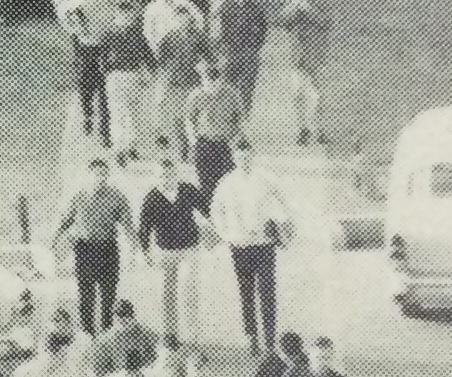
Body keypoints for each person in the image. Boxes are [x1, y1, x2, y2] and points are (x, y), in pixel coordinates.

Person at [207, 139, 294, 355]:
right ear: (234, 158)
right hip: (240, 246)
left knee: (267, 292)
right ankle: (252, 338)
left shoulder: (265, 178)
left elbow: (285, 203)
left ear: (252, 155)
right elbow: (215, 211)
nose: (244, 160)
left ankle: (270, 340)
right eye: (239, 156)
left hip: (264, 245)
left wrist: (280, 223)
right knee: (246, 293)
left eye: (247, 156)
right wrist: (226, 233)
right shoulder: (227, 183)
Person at [138, 142, 212, 349]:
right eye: (162, 175)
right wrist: (145, 252)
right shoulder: (151, 198)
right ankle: (171, 335)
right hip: (165, 251)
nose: (166, 179)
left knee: (189, 290)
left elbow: (208, 209)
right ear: (157, 176)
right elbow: (144, 228)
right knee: (167, 293)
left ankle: (192, 336)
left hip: (189, 249)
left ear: (176, 174)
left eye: (169, 174)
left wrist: (213, 226)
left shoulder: (188, 190)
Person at [55, 144, 134, 338]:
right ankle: (87, 336)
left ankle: (107, 336)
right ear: (89, 175)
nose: (100, 178)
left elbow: (128, 225)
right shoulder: (78, 197)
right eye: (96, 174)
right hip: (84, 249)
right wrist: (55, 240)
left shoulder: (117, 197)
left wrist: (134, 248)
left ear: (107, 176)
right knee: (86, 295)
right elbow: (65, 221)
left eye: (103, 174)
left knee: (108, 296)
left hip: (107, 249)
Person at [52, 0, 116, 135]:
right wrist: (70, 14)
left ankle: (105, 124)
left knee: (105, 75)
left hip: (100, 27)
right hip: (81, 28)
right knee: (86, 74)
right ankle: (87, 113)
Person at [143, 0, 209, 157]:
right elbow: (160, 61)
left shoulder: (198, 37)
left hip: (191, 81)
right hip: (173, 81)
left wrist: (203, 68)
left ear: (190, 20)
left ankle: (193, 147)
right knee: (175, 117)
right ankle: (180, 148)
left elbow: (209, 56)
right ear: (176, 20)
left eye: (186, 19)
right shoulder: (169, 37)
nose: (183, 22)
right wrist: (162, 79)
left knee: (192, 115)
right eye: (180, 19)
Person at [182, 56, 247, 206]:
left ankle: (228, 214)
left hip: (224, 145)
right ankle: (209, 216)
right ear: (203, 79)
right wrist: (193, 140)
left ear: (221, 79)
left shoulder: (231, 95)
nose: (212, 84)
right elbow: (189, 120)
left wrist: (235, 140)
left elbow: (239, 119)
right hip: (204, 145)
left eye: (216, 79)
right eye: (208, 79)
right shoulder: (195, 96)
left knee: (227, 182)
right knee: (205, 184)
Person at [96, 0, 153, 162]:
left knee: (134, 113)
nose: (126, 18)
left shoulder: (137, 34)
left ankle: (132, 146)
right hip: (115, 77)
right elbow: (102, 58)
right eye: (122, 14)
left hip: (133, 75)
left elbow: (148, 55)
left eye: (128, 14)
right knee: (117, 113)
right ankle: (119, 148)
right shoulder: (109, 34)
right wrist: (107, 73)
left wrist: (148, 73)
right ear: (116, 14)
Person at [276, 0, 332, 146]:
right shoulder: (289, 3)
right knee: (297, 94)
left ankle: (319, 129)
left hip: (314, 55)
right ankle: (302, 130)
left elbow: (326, 22)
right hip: (296, 57)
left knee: (316, 96)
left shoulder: (318, 1)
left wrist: (307, 9)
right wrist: (294, 6)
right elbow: (282, 22)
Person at [216, 0, 269, 118]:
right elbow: (219, 30)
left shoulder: (256, 8)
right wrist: (223, 49)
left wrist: (254, 48)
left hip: (249, 52)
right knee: (227, 83)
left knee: (247, 85)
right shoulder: (226, 7)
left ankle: (242, 116)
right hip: (230, 51)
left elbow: (262, 30)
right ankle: (226, 113)